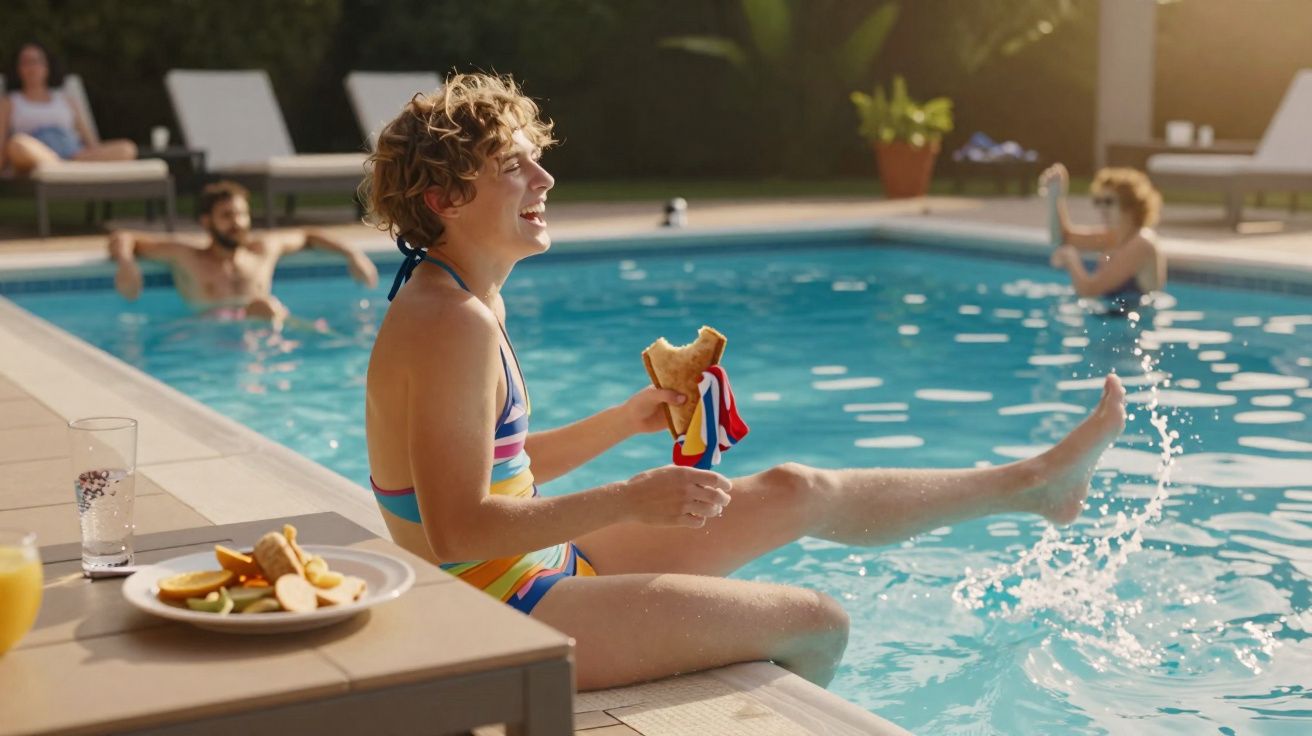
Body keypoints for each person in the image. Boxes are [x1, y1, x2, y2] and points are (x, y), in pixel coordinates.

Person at [362, 73, 1128, 691]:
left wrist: (626, 420)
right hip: (508, 609)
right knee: (819, 622)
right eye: (513, 167)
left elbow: (495, 472)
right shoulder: (452, 325)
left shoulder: (462, 298)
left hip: (535, 573)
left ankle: (1032, 484)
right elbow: (457, 528)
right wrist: (632, 498)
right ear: (444, 200)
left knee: (798, 486)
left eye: (535, 157)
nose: (545, 176)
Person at [109, 180, 378, 323]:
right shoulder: (188, 256)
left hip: (266, 336)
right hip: (210, 339)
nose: (237, 222)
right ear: (206, 221)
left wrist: (353, 254)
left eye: (241, 214)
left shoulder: (262, 250)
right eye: (226, 215)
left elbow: (308, 235)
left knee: (273, 311)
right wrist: (126, 264)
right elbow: (124, 237)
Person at [1041, 163, 1167, 311]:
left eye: (1108, 202)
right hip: (1114, 321)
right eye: (1098, 202)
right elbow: (1062, 238)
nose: (1102, 208)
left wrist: (1071, 260)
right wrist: (1055, 197)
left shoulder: (1141, 243)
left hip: (1134, 328)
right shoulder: (1114, 237)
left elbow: (1089, 290)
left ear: (1130, 205)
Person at [0, 42, 137, 173]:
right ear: (18, 69)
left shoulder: (66, 100)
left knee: (127, 148)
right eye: (26, 62)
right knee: (16, 145)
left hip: (76, 154)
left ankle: (61, 167)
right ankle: (59, 166)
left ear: (47, 66)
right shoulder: (9, 102)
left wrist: (97, 153)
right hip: (36, 155)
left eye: (37, 61)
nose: (32, 67)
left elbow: (92, 143)